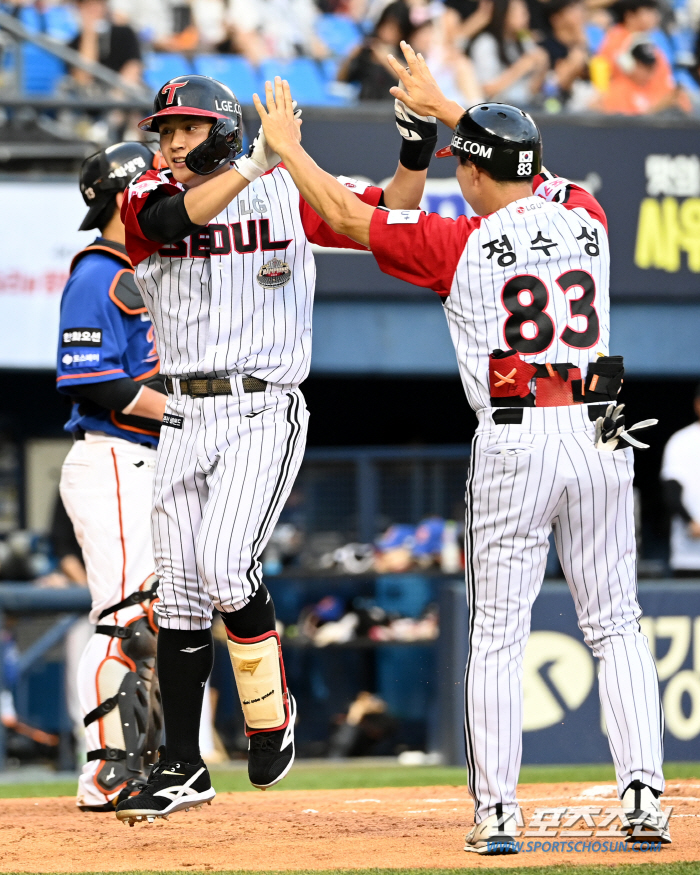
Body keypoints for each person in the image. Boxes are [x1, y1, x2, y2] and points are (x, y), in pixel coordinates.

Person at [254, 52, 670, 854]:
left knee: (498, 632)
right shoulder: (588, 213)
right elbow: (528, 167)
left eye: (463, 164)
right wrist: (450, 108)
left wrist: (288, 147)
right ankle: (644, 796)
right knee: (617, 622)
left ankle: (499, 812)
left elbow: (344, 215)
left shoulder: (461, 243)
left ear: (476, 172)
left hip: (517, 433)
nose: (462, 178)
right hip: (603, 426)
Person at [113, 73, 437, 825]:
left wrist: (415, 151)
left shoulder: (289, 184)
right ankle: (184, 765)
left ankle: (271, 713)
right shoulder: (145, 191)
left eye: (185, 129)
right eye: (164, 131)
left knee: (228, 562)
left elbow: (389, 211)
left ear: (223, 126)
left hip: (263, 403)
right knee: (184, 597)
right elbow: (166, 222)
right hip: (186, 410)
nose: (169, 142)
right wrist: (255, 163)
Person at [56, 142, 167, 811]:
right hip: (113, 453)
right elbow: (93, 380)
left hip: (139, 458)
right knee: (125, 619)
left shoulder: (144, 268)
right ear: (126, 195)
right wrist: (185, 413)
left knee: (151, 619)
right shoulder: (99, 272)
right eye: (150, 186)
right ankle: (104, 771)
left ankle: (140, 760)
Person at [468, 0, 548, 106]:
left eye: (526, 12)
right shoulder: (486, 42)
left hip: (527, 107)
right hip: (497, 110)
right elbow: (486, 90)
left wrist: (542, 68)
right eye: (520, 12)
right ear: (503, 13)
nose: (526, 17)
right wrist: (521, 67)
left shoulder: (524, 41)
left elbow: (533, 91)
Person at [661, 384, 700, 576]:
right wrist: (691, 522)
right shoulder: (681, 441)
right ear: (697, 405)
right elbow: (671, 492)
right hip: (690, 556)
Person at [339, 1, 412, 100]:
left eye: (394, 29)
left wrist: (387, 59)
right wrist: (350, 56)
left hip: (391, 110)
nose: (387, 33)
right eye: (385, 26)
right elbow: (341, 79)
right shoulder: (367, 50)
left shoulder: (408, 53)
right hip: (364, 109)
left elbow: (411, 83)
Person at [69, 0, 143, 88]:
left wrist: (116, 96)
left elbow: (133, 68)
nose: (95, 9)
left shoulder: (125, 33)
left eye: (99, 3)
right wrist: (89, 36)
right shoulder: (74, 42)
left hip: (122, 96)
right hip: (90, 97)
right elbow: (83, 78)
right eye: (88, 5)